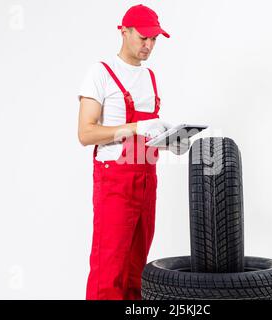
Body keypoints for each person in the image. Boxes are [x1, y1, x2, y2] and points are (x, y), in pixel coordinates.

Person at [77, 4, 188, 300]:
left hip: (146, 178)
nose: (149, 46)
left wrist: (171, 141)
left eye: (154, 40)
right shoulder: (100, 73)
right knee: (108, 273)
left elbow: (148, 137)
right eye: (143, 38)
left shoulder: (150, 77)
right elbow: (86, 133)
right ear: (124, 31)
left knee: (137, 274)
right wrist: (135, 128)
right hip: (115, 182)